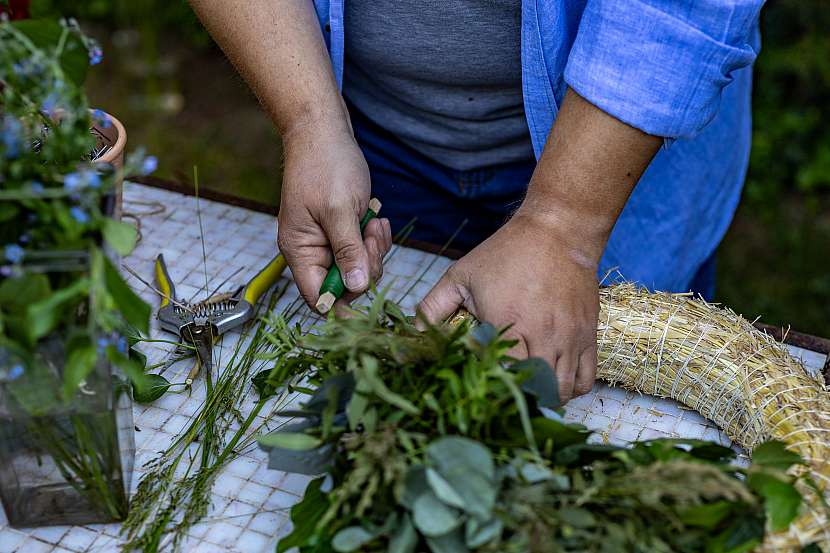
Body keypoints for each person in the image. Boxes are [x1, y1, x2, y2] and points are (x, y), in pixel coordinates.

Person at [190, 0, 762, 403]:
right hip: (368, 140)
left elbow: (684, 10)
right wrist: (309, 121)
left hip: (612, 158)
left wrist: (562, 225)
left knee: (608, 402)